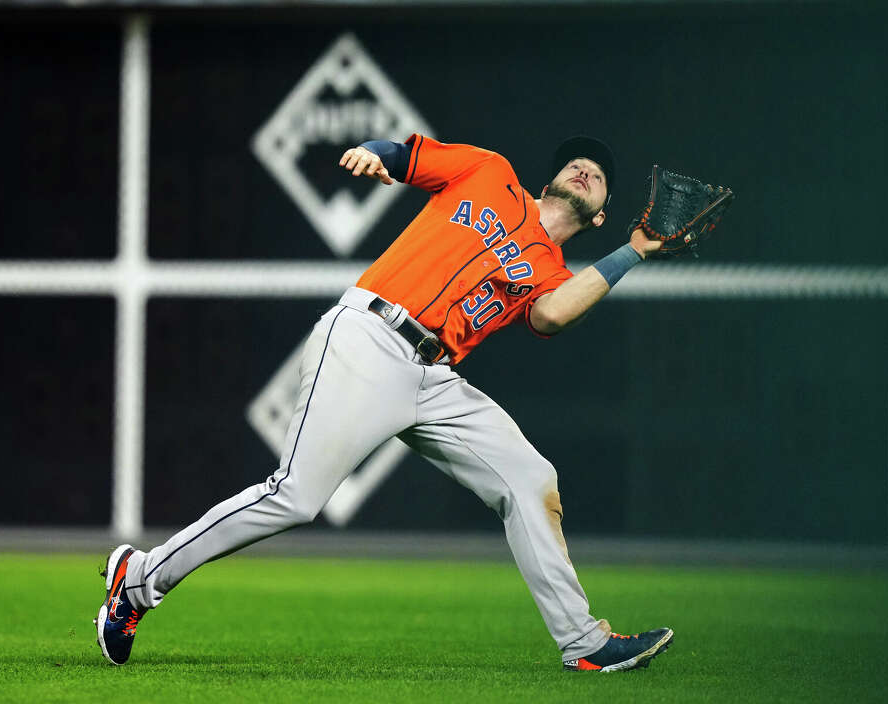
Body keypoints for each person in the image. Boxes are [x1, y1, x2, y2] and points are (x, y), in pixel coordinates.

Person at [96, 133, 674, 672]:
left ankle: (584, 643)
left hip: (434, 375)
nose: (584, 168)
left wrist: (636, 249)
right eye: (578, 161)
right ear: (551, 179)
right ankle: (140, 579)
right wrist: (375, 152)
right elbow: (408, 157)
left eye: (597, 174)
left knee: (529, 478)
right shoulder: (490, 172)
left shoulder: (550, 273)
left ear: (599, 214)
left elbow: (551, 314)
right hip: (370, 335)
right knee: (295, 498)